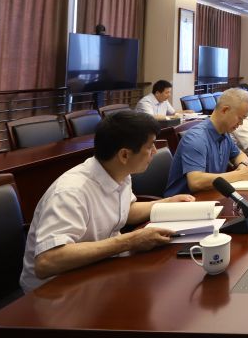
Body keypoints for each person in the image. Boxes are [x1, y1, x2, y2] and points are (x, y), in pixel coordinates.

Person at [20, 110, 194, 291]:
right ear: (124, 155)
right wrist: (129, 241)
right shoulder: (71, 192)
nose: (155, 151)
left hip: (95, 270)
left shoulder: (119, 172)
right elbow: (47, 261)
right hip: (55, 290)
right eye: (150, 146)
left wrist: (166, 203)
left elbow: (125, 211)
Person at [164, 88, 248, 195]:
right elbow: (195, 181)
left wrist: (242, 165)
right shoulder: (196, 138)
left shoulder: (224, 132)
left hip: (209, 195)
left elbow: (239, 154)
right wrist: (240, 175)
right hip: (184, 201)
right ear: (225, 110)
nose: (241, 123)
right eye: (240, 118)